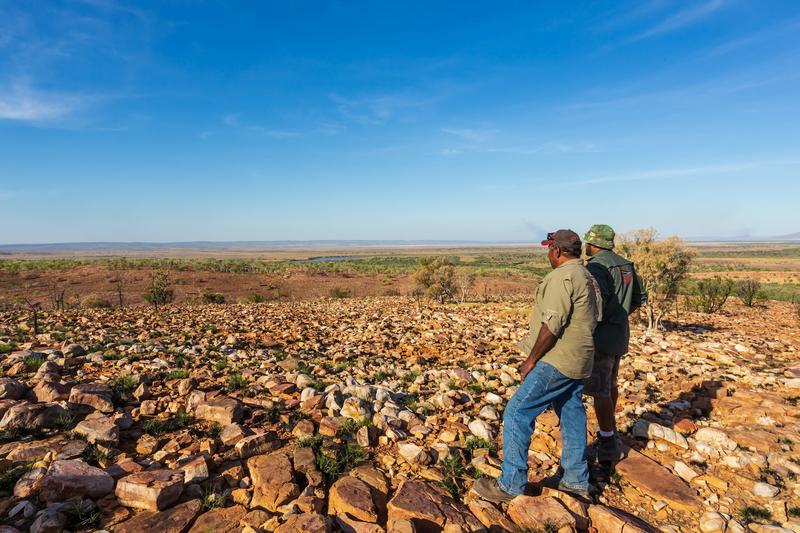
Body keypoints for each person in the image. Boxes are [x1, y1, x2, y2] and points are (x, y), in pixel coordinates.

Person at [473, 230, 601, 502]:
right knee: (571, 412)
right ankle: (576, 481)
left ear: (556, 251)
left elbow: (552, 324)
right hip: (582, 358)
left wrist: (530, 360)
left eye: (549, 249)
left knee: (518, 411)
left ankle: (510, 484)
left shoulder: (562, 277)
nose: (547, 254)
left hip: (559, 359)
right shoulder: (588, 277)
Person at [582, 224, 646, 462]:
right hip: (619, 333)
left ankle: (607, 440)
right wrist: (620, 317)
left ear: (594, 243)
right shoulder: (626, 265)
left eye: (587, 241)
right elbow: (638, 299)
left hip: (601, 336)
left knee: (599, 389)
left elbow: (594, 303)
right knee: (610, 383)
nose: (585, 246)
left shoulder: (597, 267)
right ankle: (608, 428)